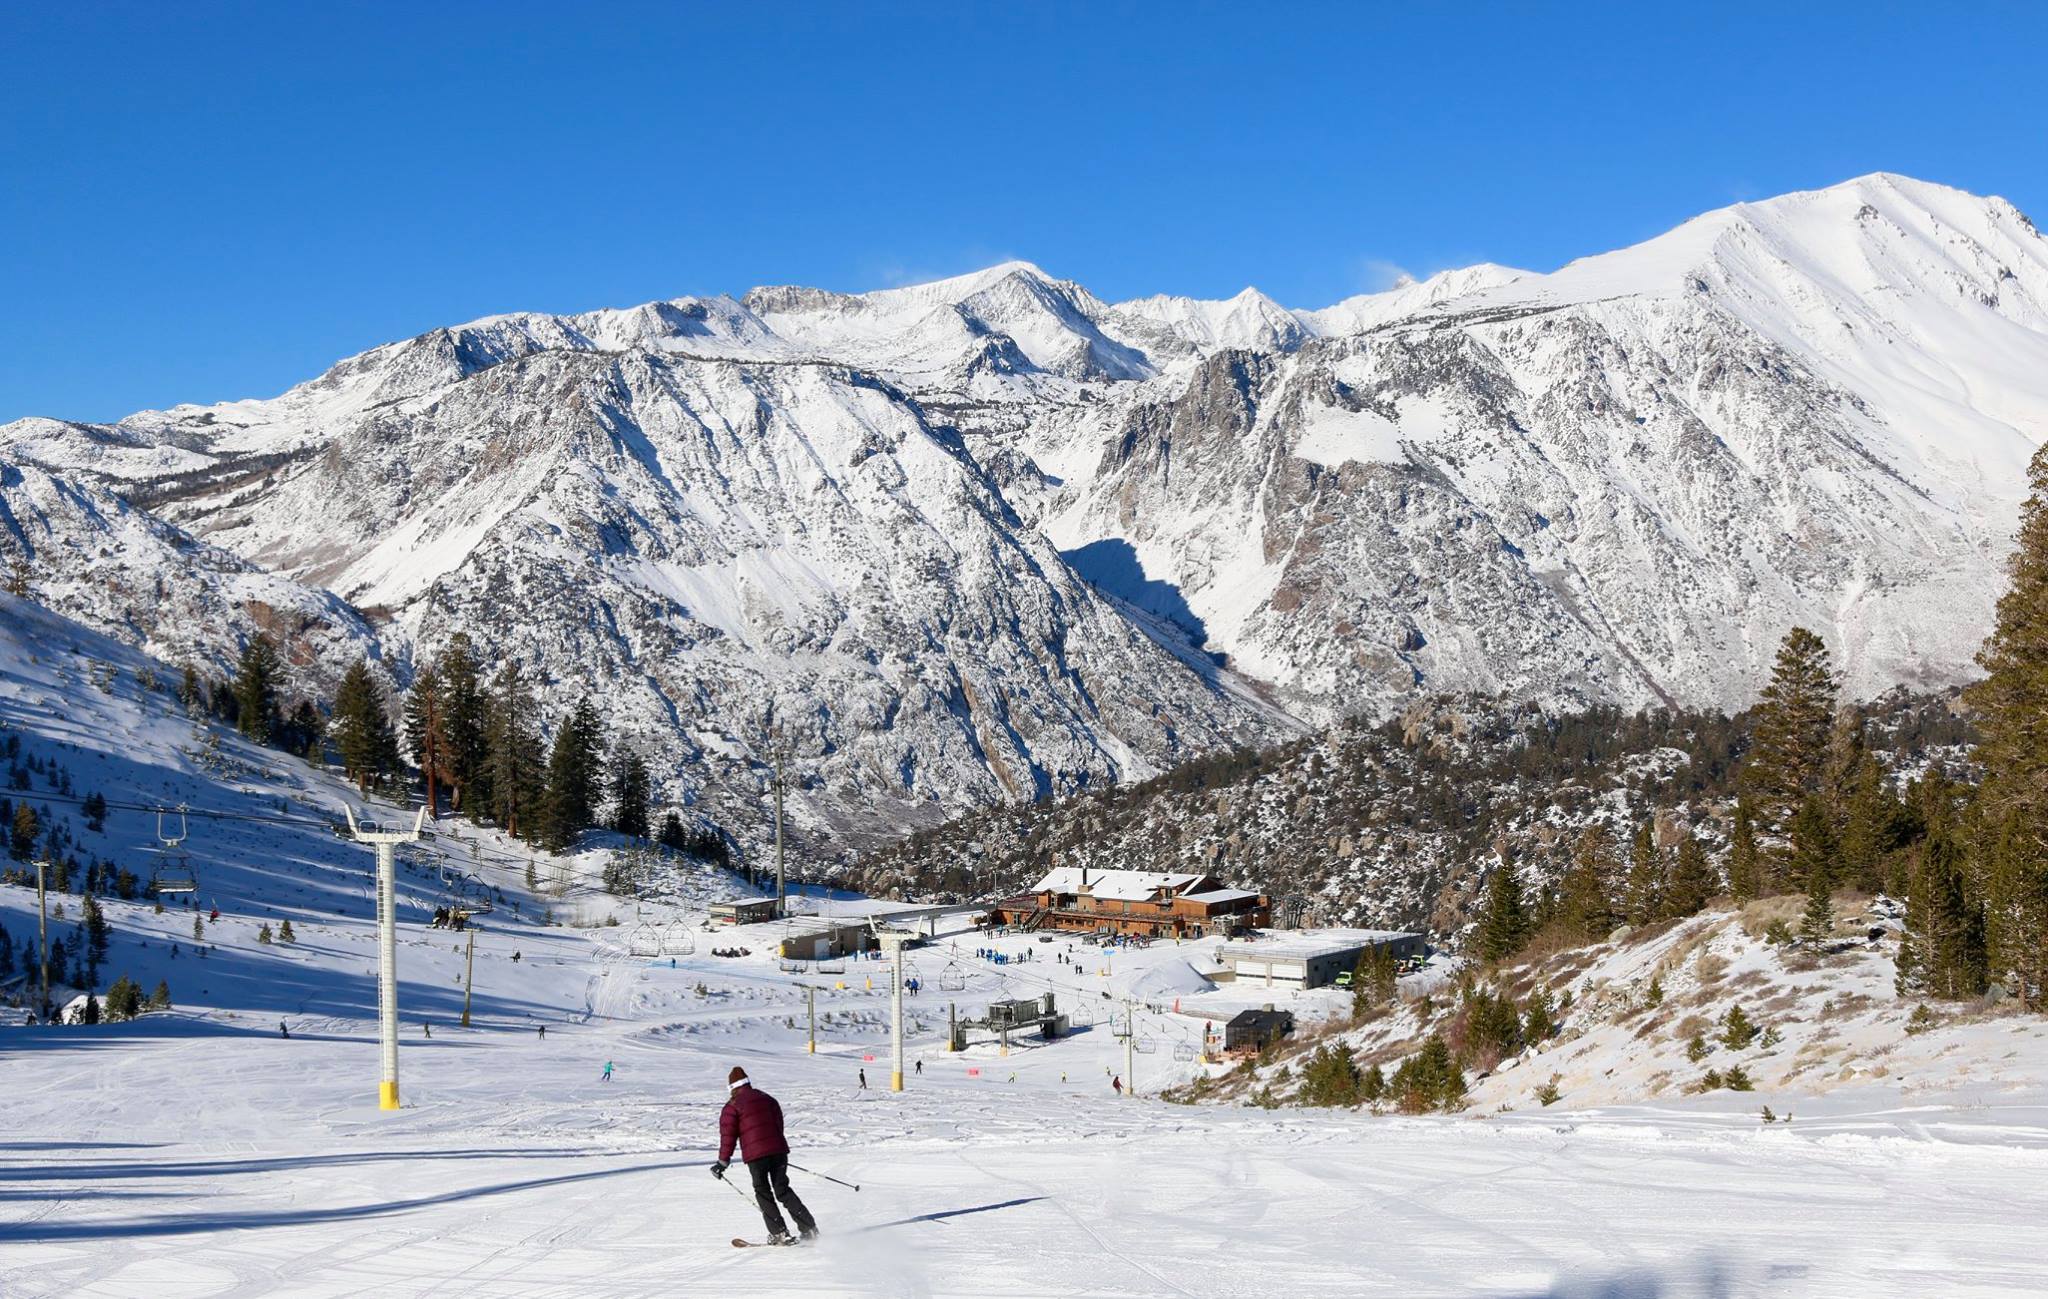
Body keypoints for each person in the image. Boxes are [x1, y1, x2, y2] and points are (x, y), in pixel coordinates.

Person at [713, 1066, 817, 1245]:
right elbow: (778, 1124)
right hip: (778, 1151)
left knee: (763, 1192)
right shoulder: (768, 1099)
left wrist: (722, 1162)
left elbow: (728, 1136)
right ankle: (809, 1228)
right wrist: (774, 1146)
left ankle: (779, 1233)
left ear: (732, 1088)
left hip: (756, 1156)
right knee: (783, 1190)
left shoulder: (733, 1106)